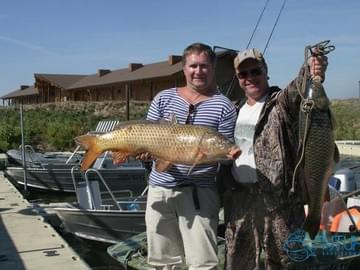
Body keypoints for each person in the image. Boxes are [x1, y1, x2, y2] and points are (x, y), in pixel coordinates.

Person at [114, 42, 240, 269]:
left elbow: (224, 150)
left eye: (204, 66)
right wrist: (145, 154)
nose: (198, 71)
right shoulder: (163, 98)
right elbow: (147, 134)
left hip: (200, 193)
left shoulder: (224, 106)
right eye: (193, 66)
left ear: (212, 68)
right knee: (163, 262)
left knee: (203, 262)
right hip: (160, 190)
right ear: (184, 69)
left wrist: (226, 154)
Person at [223, 47, 328, 269]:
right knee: (238, 261)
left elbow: (299, 89)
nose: (250, 78)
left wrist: (312, 69)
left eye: (255, 71)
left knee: (286, 261)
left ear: (265, 71)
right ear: (238, 79)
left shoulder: (280, 102)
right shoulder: (233, 110)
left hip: (280, 203)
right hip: (241, 200)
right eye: (243, 74)